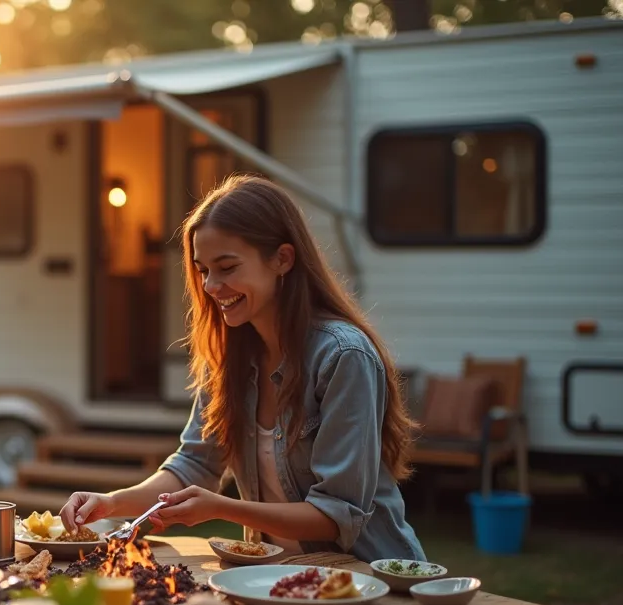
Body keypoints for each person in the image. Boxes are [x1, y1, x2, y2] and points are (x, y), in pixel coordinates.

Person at [60, 174, 425, 563]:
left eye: (227, 267)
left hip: (369, 577)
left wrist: (222, 508)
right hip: (275, 574)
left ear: (282, 259)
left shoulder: (343, 356)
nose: (210, 286)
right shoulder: (228, 357)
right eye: (203, 270)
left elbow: (337, 514)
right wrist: (112, 503)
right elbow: (195, 464)